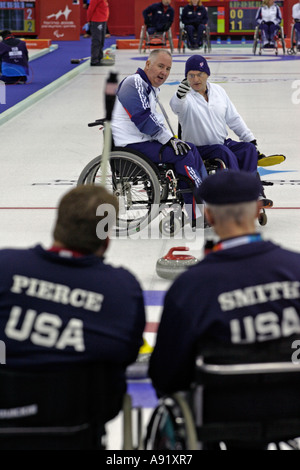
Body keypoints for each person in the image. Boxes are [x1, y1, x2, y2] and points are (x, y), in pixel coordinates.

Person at [0, 184, 146, 435]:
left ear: (58, 224)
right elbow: (127, 355)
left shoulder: (5, 266)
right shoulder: (121, 288)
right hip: (78, 424)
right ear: (106, 238)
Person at [149, 170, 300, 398]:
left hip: (221, 416)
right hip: (292, 410)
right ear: (258, 210)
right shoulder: (295, 268)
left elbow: (166, 373)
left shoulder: (191, 286)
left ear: (209, 216)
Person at [111, 49, 208, 226]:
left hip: (142, 141)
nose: (164, 72)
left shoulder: (149, 88)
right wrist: (169, 140)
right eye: (160, 66)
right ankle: (197, 213)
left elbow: (155, 121)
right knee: (183, 155)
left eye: (168, 69)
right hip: (132, 145)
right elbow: (143, 119)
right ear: (148, 64)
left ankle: (205, 201)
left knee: (190, 148)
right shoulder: (134, 83)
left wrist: (173, 138)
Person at [169, 54, 275, 207]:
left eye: (199, 74)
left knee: (248, 150)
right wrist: (180, 95)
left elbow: (233, 118)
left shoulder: (219, 91)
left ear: (207, 74)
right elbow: (176, 106)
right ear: (186, 78)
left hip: (221, 143)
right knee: (223, 152)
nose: (196, 79)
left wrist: (249, 139)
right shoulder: (184, 97)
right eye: (191, 76)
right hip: (199, 149)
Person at [87, 0, 109, 66]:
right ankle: (94, 60)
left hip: (103, 20)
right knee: (97, 40)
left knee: (102, 40)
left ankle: (99, 58)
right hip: (97, 20)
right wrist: (88, 20)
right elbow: (91, 9)